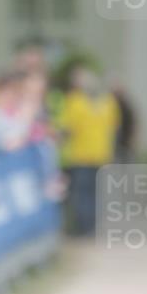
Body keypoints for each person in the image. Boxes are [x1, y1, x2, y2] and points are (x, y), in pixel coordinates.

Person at [53, 67, 121, 235]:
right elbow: (114, 127)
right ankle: (90, 226)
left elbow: (67, 128)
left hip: (83, 155)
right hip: (95, 155)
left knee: (84, 194)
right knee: (93, 193)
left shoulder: (75, 102)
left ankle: (85, 227)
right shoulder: (107, 102)